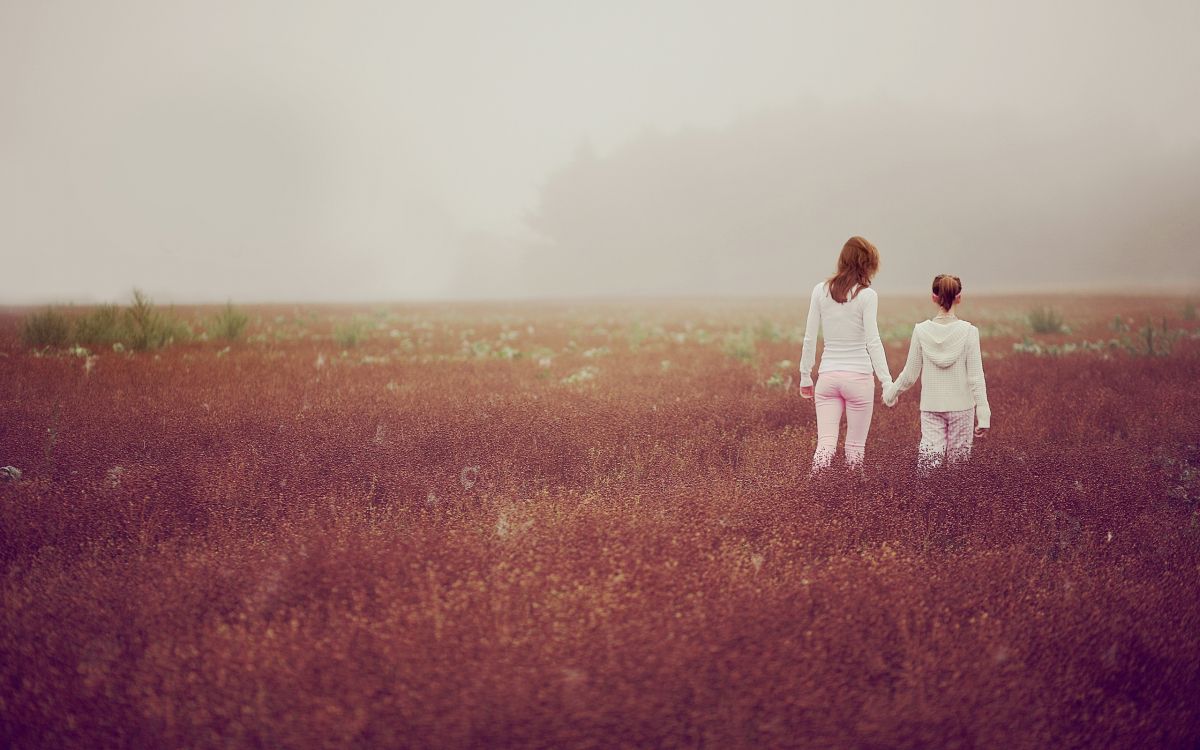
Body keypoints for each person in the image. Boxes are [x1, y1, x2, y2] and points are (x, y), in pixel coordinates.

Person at [798, 236, 893, 473]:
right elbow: (873, 341)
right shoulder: (867, 296)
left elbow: (810, 336)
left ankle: (813, 489)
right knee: (855, 448)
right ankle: (853, 491)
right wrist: (887, 381)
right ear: (868, 263)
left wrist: (805, 375)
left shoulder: (820, 291)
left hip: (828, 378)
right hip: (858, 378)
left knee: (825, 446)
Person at [883, 274, 991, 472]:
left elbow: (910, 375)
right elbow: (976, 377)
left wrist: (890, 394)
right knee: (959, 470)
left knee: (928, 466)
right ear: (959, 297)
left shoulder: (921, 331)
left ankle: (926, 493)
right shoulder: (969, 332)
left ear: (934, 297)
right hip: (962, 407)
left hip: (931, 407)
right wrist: (984, 415)